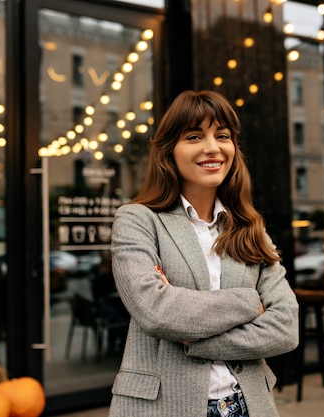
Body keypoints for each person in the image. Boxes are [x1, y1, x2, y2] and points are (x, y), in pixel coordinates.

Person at [109, 90, 299, 417]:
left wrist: (198, 341)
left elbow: (285, 327)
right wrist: (248, 303)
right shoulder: (138, 220)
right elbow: (156, 310)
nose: (212, 147)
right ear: (170, 150)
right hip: (164, 407)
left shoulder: (251, 228)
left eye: (222, 135)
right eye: (195, 136)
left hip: (248, 404)